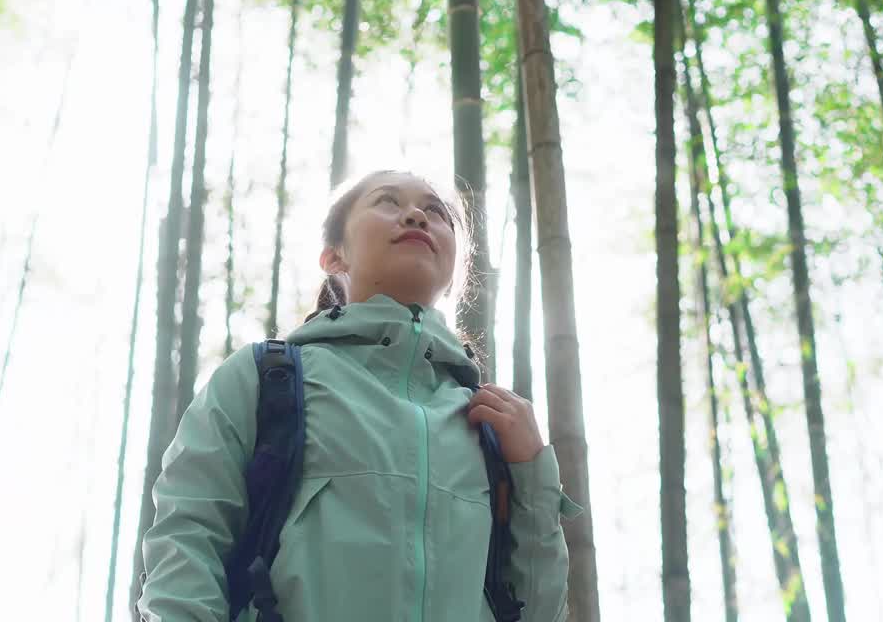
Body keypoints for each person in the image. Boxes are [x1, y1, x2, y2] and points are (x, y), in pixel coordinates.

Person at [137, 169, 582, 621]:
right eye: (387, 202)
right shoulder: (266, 378)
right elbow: (188, 540)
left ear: (454, 270)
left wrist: (532, 474)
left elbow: (537, 611)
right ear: (333, 257)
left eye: (435, 211)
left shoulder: (488, 421)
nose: (415, 215)